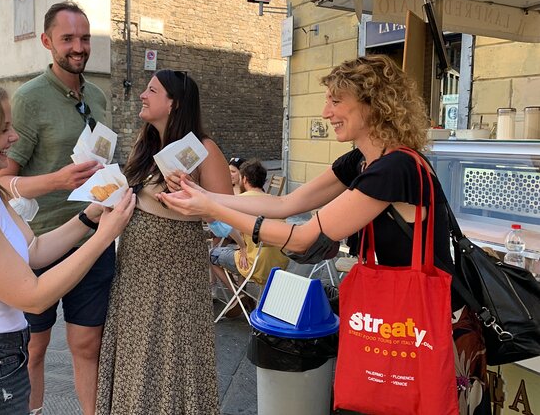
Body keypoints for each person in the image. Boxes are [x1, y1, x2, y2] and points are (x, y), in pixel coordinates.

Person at [160, 55, 490, 415]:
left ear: (373, 104)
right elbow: (287, 203)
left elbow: (302, 238)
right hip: (399, 320)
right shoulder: (362, 161)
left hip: (431, 323)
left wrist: (212, 210)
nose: (325, 112)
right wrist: (204, 195)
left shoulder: (396, 168)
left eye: (336, 101)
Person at [0, 78, 135, 415]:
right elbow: (33, 295)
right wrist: (105, 236)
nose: (13, 138)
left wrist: (90, 217)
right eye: (3, 130)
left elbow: (34, 251)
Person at [0, 1, 112, 415]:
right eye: (68, 39)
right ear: (47, 42)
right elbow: (1, 177)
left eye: (84, 38)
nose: (78, 47)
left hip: (93, 239)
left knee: (87, 344)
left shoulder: (99, 96)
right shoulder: (28, 99)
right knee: (34, 346)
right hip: (40, 241)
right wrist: (57, 181)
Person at [95, 69, 231, 414]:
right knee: (138, 355)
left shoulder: (203, 149)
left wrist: (187, 196)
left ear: (174, 103)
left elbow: (226, 217)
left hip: (175, 278)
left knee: (171, 354)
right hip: (135, 275)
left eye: (151, 90)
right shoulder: (145, 146)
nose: (142, 94)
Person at [209, 159, 289, 317]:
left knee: (212, 255)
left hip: (256, 264)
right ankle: (247, 298)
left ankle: (239, 296)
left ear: (244, 179)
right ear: (264, 180)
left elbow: (230, 228)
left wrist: (244, 247)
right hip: (280, 263)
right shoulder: (278, 201)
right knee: (237, 254)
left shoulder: (240, 201)